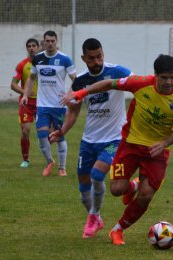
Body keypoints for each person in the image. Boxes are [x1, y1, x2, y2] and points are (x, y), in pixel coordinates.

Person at [61, 54, 173, 245]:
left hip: (156, 151)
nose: (168, 82)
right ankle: (133, 185)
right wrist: (81, 93)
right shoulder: (140, 83)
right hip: (130, 144)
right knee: (116, 189)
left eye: (172, 77)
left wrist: (163, 143)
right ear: (155, 75)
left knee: (146, 196)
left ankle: (118, 230)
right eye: (164, 77)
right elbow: (108, 84)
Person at [49, 38, 132, 238]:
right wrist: (63, 131)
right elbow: (73, 112)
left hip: (113, 139)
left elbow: (139, 84)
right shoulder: (80, 81)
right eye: (92, 58)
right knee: (83, 189)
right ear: (83, 58)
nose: (97, 61)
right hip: (89, 140)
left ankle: (93, 216)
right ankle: (96, 217)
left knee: (97, 175)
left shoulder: (118, 72)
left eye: (100, 56)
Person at [21, 30, 76, 176]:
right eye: (47, 41)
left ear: (56, 41)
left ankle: (62, 167)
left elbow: (76, 79)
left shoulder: (65, 59)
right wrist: (26, 95)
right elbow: (32, 78)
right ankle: (49, 162)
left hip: (58, 105)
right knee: (41, 136)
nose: (50, 44)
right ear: (44, 42)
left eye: (52, 41)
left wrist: (70, 94)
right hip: (42, 105)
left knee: (59, 136)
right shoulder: (38, 59)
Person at [10, 38, 40, 168]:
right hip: (26, 102)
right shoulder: (22, 65)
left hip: (42, 102)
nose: (32, 48)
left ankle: (49, 159)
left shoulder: (44, 64)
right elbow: (13, 85)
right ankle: (26, 160)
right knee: (25, 130)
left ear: (38, 47)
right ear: (27, 48)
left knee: (48, 131)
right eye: (29, 46)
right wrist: (25, 93)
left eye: (34, 46)